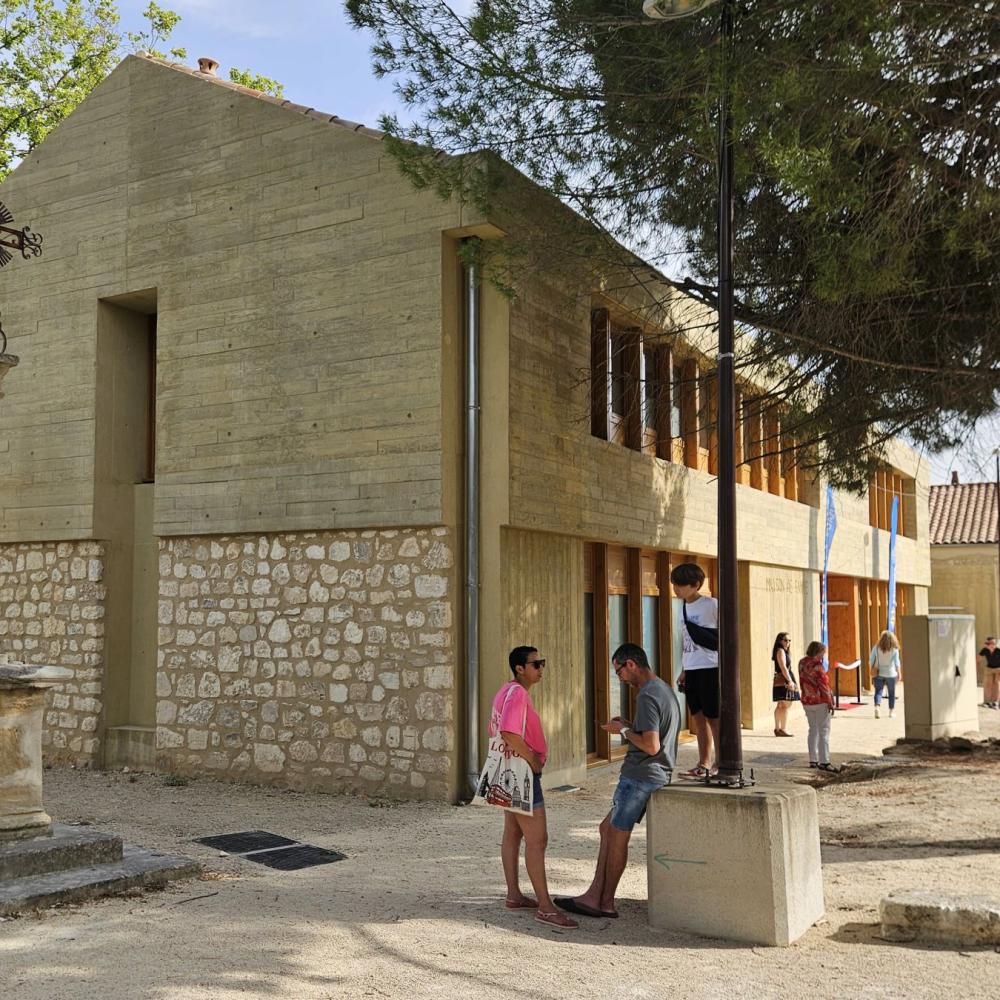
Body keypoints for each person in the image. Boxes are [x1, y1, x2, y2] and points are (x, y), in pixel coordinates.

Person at [554, 642, 680, 920]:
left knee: (618, 835)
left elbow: (651, 745)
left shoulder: (647, 695)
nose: (619, 677)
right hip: (650, 775)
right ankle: (594, 896)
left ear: (631, 664)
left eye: (619, 671)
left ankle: (604, 902)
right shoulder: (663, 689)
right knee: (606, 830)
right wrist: (629, 726)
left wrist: (622, 730)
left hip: (640, 777)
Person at [489, 646, 578, 929]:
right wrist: (532, 759)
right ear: (519, 668)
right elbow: (509, 731)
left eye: (543, 662)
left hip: (505, 769)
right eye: (536, 664)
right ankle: (546, 907)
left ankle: (514, 895)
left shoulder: (506, 691)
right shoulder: (518, 695)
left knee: (513, 832)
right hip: (521, 771)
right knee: (537, 840)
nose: (541, 668)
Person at [670, 562, 719, 778]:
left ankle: (722, 762)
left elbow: (725, 637)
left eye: (680, 585)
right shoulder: (682, 608)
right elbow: (686, 640)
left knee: (714, 718)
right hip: (691, 668)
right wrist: (684, 668)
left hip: (710, 666)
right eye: (674, 584)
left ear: (695, 585)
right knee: (697, 718)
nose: (676, 589)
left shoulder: (711, 605)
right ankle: (704, 763)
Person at [799, 640, 838, 772]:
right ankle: (825, 761)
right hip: (820, 701)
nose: (824, 655)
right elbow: (824, 685)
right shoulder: (818, 666)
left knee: (813, 729)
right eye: (823, 652)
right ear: (818, 652)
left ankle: (813, 759)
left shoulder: (802, 663)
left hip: (807, 700)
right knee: (824, 731)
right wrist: (830, 702)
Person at [869, 630, 901, 719]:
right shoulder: (894, 649)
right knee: (891, 693)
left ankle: (877, 707)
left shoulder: (876, 647)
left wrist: (871, 668)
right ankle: (891, 712)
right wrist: (899, 673)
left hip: (879, 672)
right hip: (891, 674)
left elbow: (871, 659)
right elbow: (897, 663)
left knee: (878, 691)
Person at [771, 632, 798, 737]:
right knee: (786, 705)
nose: (788, 642)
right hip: (784, 680)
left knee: (781, 705)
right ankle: (783, 729)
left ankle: (778, 729)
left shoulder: (781, 651)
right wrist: (790, 681)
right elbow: (783, 667)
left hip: (780, 680)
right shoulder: (781, 651)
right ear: (780, 641)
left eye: (789, 640)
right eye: (785, 640)